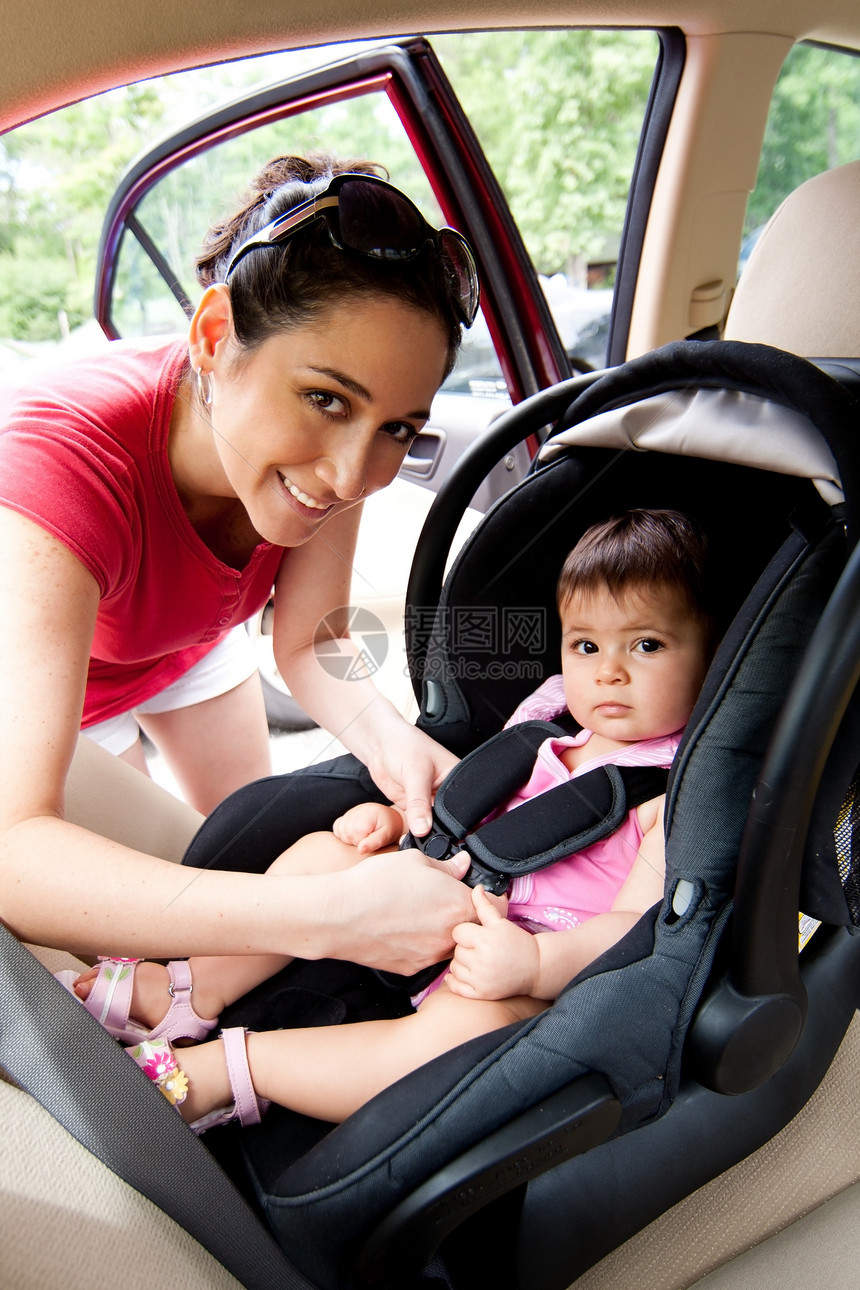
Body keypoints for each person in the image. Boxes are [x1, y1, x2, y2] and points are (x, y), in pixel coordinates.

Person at [65, 509, 716, 1129]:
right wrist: (395, 826)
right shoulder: (548, 722)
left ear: (711, 656)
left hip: (518, 960)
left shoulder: (675, 792)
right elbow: (475, 806)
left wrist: (536, 963)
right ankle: (189, 990)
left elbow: (634, 930)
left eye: (648, 644)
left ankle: (228, 1070)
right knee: (325, 853)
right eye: (586, 644)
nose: (609, 671)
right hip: (439, 889)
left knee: (471, 1034)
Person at [0, 153, 481, 974]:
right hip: (50, 681)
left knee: (228, 858)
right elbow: (15, 848)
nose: (349, 474)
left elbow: (305, 641)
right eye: (326, 399)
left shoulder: (334, 461)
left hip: (185, 642)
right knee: (130, 952)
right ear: (215, 337)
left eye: (398, 427)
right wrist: (324, 917)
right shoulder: (59, 465)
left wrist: (397, 746)